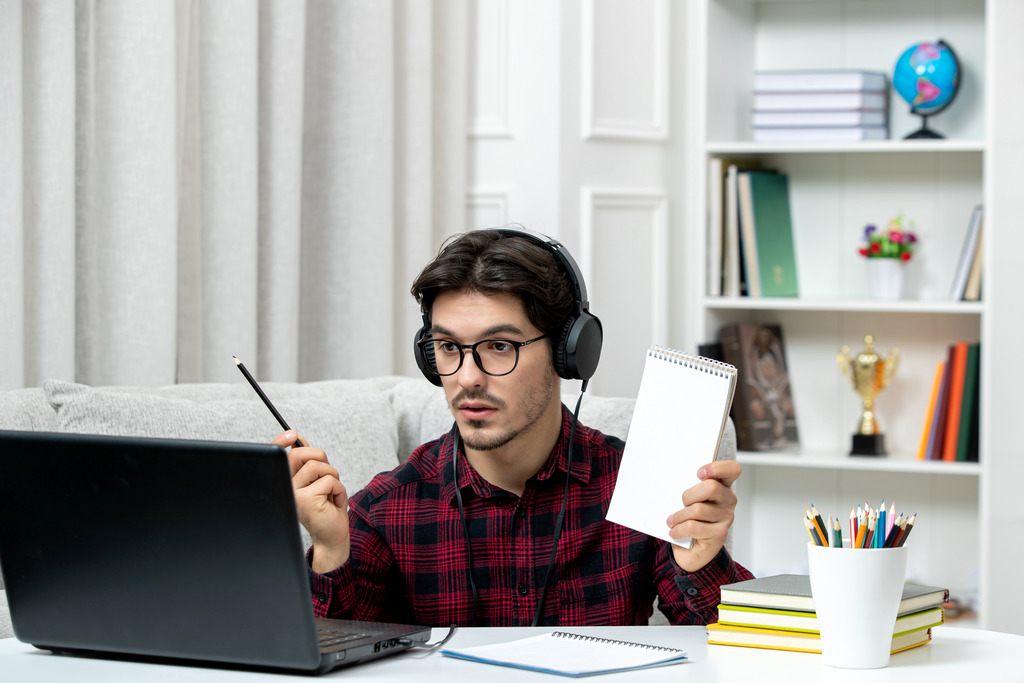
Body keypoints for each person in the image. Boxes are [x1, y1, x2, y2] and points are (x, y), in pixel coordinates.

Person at [276, 227, 752, 627]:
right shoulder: (385, 511)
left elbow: (745, 654)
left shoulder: (639, 486)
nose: (467, 378)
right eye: (447, 347)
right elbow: (324, 654)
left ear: (569, 353)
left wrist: (702, 562)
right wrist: (331, 550)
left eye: (499, 346)